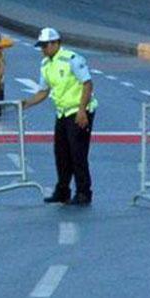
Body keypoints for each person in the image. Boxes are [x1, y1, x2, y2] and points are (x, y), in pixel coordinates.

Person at [22, 28, 97, 206]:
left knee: (78, 154)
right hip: (62, 112)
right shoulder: (45, 64)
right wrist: (25, 104)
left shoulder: (71, 59)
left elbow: (87, 84)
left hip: (78, 111)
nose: (43, 49)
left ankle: (83, 192)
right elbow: (43, 91)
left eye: (45, 46)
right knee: (61, 153)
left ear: (56, 43)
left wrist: (81, 111)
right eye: (41, 46)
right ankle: (62, 191)